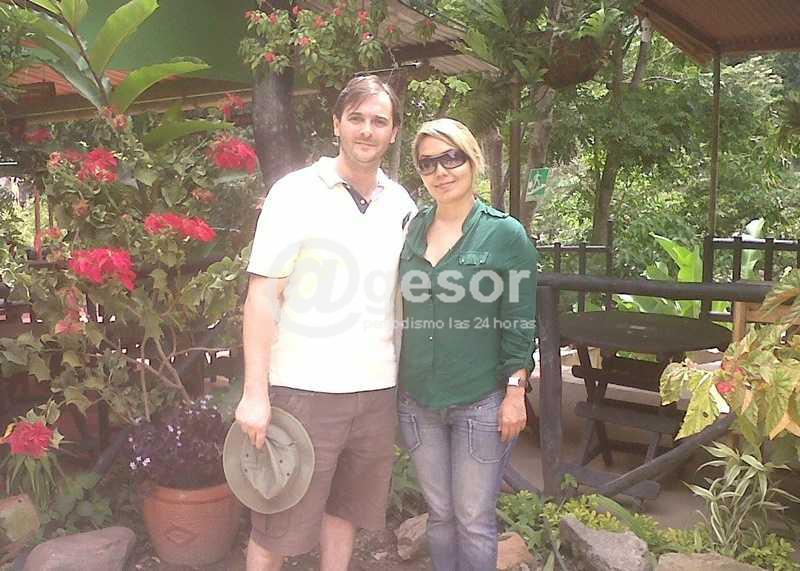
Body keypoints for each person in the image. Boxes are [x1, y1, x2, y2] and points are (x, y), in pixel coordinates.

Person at [235, 75, 417, 571]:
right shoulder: (294, 193)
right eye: (356, 118)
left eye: (379, 121)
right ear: (336, 124)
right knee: (276, 524)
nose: (366, 130)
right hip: (303, 390)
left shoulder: (401, 204)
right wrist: (255, 394)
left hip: (376, 391)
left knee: (345, 515)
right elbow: (262, 295)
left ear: (394, 132)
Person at [397, 118, 538, 571]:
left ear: (472, 160)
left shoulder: (505, 234)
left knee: (474, 519)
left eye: (451, 158)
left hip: (480, 401)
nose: (440, 171)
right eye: (428, 163)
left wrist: (515, 393)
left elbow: (520, 320)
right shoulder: (411, 229)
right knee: (439, 515)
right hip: (418, 400)